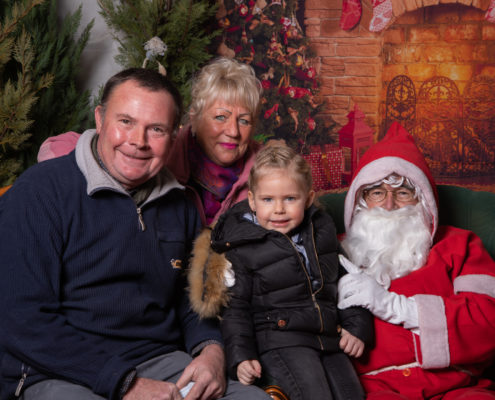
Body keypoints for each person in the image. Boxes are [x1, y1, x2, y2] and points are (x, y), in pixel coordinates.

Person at [0, 68, 270, 400]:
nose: (138, 141)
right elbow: (20, 320)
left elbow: (192, 301)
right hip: (58, 371)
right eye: (126, 122)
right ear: (100, 119)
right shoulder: (39, 192)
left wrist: (212, 350)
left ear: (173, 136)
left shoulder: (180, 206)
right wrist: (125, 383)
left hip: (158, 362)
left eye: (156, 129)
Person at [188, 145, 374, 400]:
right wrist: (241, 357)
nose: (279, 209)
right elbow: (236, 309)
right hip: (281, 340)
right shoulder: (242, 246)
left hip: (328, 338)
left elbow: (347, 280)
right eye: (268, 199)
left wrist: (356, 327)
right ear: (252, 200)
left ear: (308, 199)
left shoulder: (321, 230)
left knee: (352, 394)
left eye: (290, 199)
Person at [336, 122, 495, 399]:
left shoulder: (460, 246)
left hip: (458, 386)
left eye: (403, 193)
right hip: (375, 391)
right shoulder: (332, 253)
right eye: (377, 193)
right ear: (360, 201)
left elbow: (489, 323)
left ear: (423, 200)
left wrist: (398, 308)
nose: (389, 205)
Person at [37, 57, 263, 226]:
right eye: (221, 117)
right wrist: (77, 178)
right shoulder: (161, 147)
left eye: (244, 120)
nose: (233, 131)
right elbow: (59, 146)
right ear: (195, 118)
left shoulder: (267, 169)